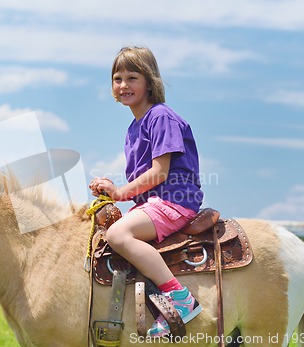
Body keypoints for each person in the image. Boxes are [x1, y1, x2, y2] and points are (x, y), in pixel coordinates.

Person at [89, 46, 204, 337]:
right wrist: (111, 189)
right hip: (154, 201)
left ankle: (180, 299)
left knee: (118, 235)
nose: (123, 85)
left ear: (150, 81)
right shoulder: (134, 127)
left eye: (132, 77)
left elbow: (159, 173)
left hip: (174, 200)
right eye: (117, 78)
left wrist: (119, 193)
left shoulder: (160, 117)